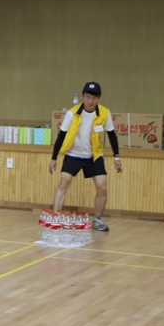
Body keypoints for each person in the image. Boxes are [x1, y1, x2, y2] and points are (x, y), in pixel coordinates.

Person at [48, 81, 122, 231]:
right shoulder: (72, 113)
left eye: (94, 98)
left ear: (99, 98)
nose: (90, 101)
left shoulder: (105, 113)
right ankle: (56, 218)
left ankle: (98, 220)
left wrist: (117, 157)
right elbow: (61, 136)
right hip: (73, 154)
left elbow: (112, 136)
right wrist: (54, 158)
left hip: (94, 156)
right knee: (64, 183)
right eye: (88, 97)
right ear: (83, 96)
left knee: (102, 188)